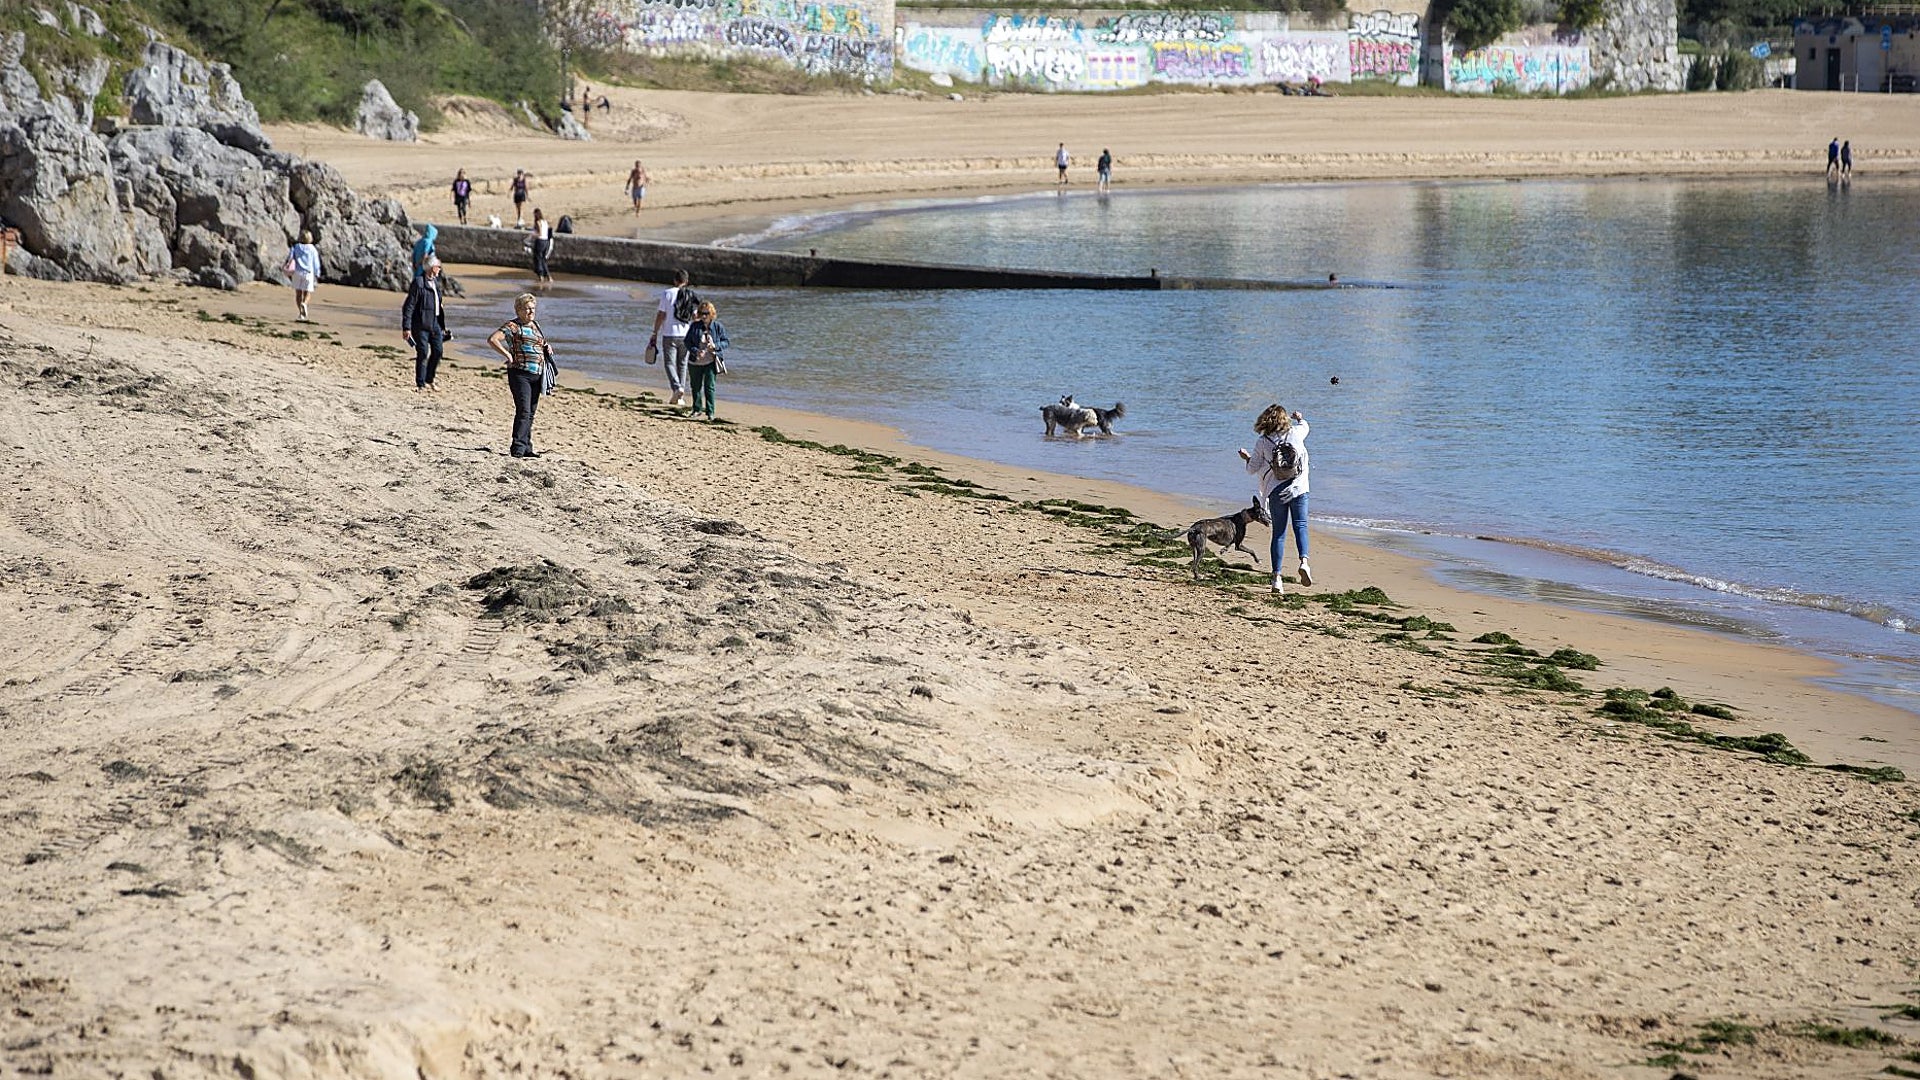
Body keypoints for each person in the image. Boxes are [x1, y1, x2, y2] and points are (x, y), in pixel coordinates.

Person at [1238, 404, 1311, 593]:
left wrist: (1247, 458)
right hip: (1299, 487)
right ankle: (1304, 562)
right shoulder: (1296, 433)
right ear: (1284, 419)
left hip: (1276, 490)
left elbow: (1252, 469)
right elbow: (1306, 426)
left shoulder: (1263, 442)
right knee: (1300, 525)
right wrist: (1299, 418)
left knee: (1279, 533)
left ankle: (1277, 578)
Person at [487, 293, 551, 458]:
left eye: (533, 308)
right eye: (527, 308)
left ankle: (527, 447)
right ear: (519, 310)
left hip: (537, 374)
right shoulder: (512, 326)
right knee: (523, 410)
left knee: (530, 412)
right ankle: (518, 448)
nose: (531, 311)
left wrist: (547, 347)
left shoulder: (535, 325)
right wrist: (507, 355)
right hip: (520, 373)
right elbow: (493, 339)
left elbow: (538, 343)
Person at [402, 256, 451, 392]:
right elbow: (409, 306)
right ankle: (421, 383)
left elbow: (438, 305)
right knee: (423, 352)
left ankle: (430, 379)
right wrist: (406, 327)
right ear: (431, 268)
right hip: (421, 324)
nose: (440, 269)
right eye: (438, 266)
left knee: (438, 351)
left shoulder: (436, 283)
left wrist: (442, 325)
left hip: (435, 323)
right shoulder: (418, 283)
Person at [649, 268, 695, 407]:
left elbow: (661, 315)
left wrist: (655, 332)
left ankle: (677, 388)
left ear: (675, 280)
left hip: (670, 333)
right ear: (686, 282)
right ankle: (680, 395)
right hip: (686, 334)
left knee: (669, 363)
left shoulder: (667, 293)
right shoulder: (690, 295)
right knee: (682, 364)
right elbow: (694, 315)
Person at [683, 299, 728, 421]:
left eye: (706, 313)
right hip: (695, 361)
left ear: (712, 313)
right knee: (695, 386)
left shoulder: (718, 327)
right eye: (701, 313)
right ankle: (696, 409)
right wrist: (695, 350)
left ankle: (710, 412)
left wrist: (715, 346)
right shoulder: (695, 326)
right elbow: (687, 342)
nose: (704, 316)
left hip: (711, 361)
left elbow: (726, 342)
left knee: (709, 387)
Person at [283, 230, 321, 322]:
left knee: (298, 293)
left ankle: (301, 313)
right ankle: (304, 304)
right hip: (308, 273)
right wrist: (317, 272)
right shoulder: (312, 249)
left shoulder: (296, 247)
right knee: (307, 293)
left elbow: (290, 258)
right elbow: (316, 262)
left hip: (297, 272)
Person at [529, 208, 554, 288]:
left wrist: (532, 235)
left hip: (540, 241)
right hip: (546, 241)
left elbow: (539, 233)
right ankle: (549, 277)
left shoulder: (538, 222)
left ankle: (541, 276)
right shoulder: (545, 222)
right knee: (543, 259)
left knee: (538, 259)